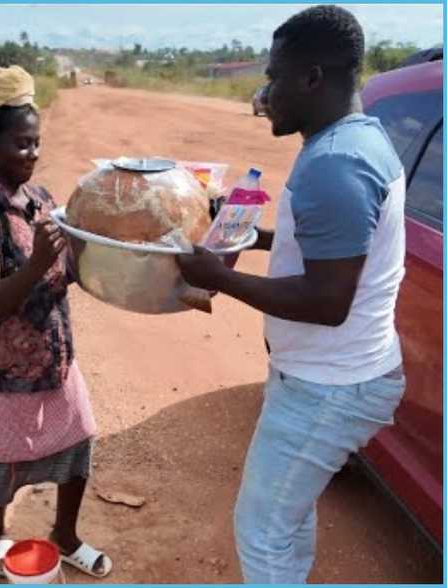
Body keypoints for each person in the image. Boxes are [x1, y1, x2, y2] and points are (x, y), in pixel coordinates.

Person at [176, 5, 408, 583]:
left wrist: (220, 277)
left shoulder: (334, 163)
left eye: (275, 77)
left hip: (328, 386)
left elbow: (329, 302)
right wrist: (251, 237)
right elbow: (330, 248)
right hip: (335, 374)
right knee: (288, 512)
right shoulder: (359, 139)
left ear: (312, 78)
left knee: (263, 533)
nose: (264, 92)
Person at [0, 62, 110, 579]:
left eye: (36, 143)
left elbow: (73, 269)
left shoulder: (40, 201)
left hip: (51, 359)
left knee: (78, 441)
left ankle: (65, 534)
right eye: (20, 144)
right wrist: (38, 264)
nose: (32, 154)